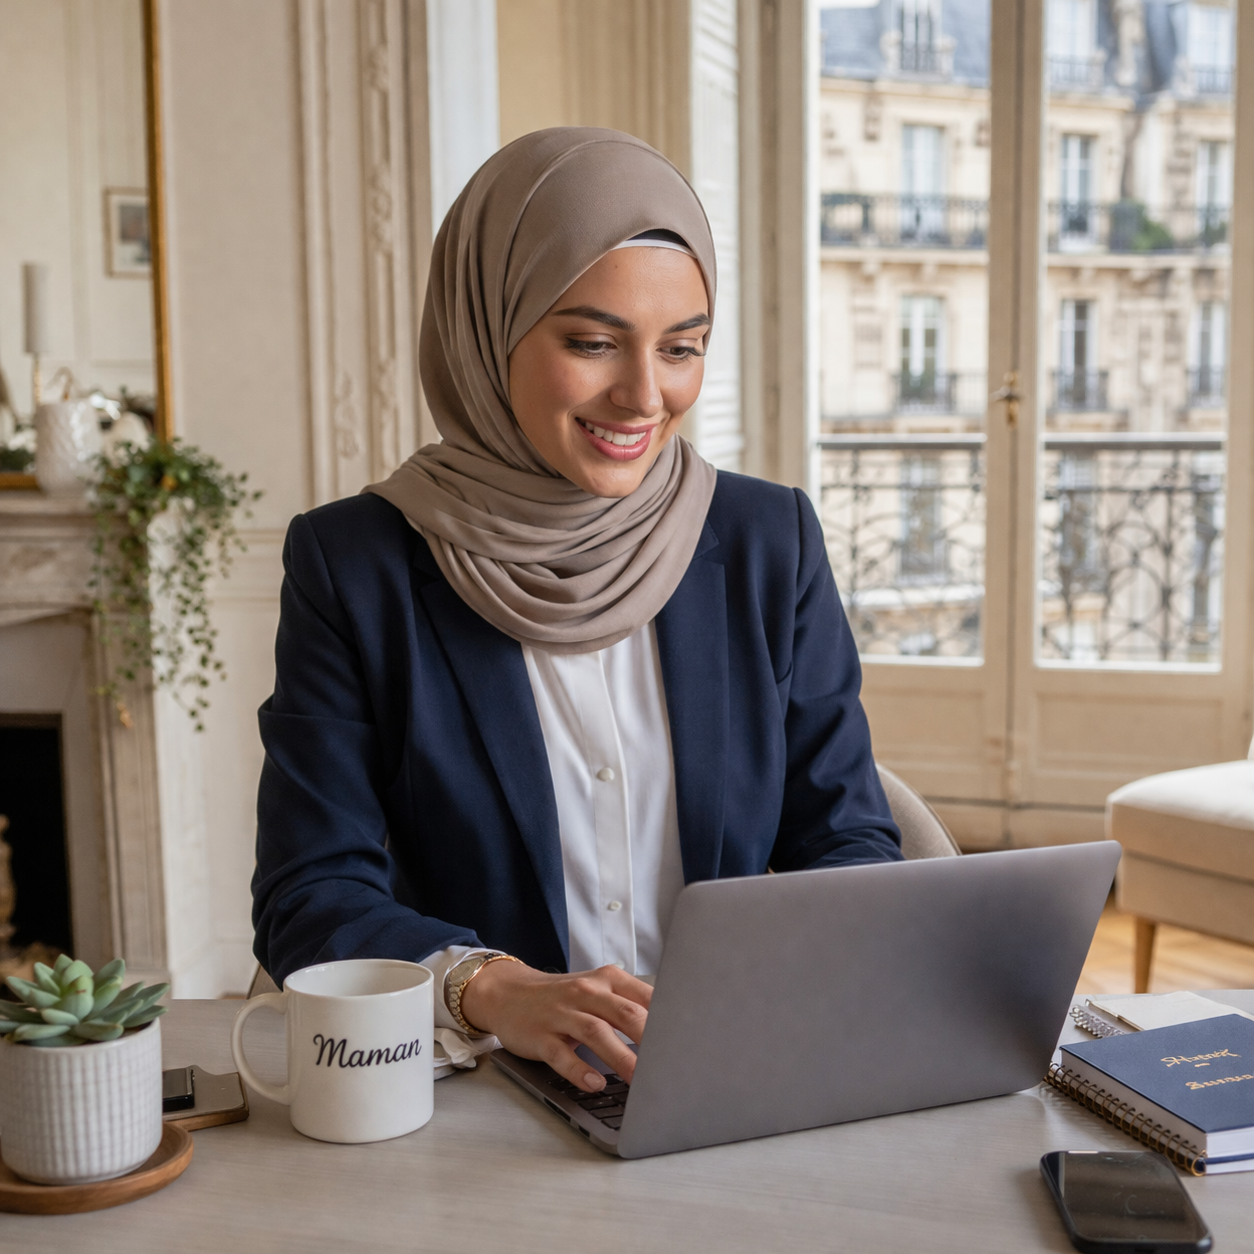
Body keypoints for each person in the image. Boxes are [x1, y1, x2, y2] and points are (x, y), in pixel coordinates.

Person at [252, 127, 901, 1098]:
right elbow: (310, 895)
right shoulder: (357, 566)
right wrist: (495, 989)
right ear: (488, 328)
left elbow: (846, 840)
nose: (645, 395)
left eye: (681, 349)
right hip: (487, 1097)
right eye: (593, 343)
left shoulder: (771, 543)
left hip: (743, 1077)